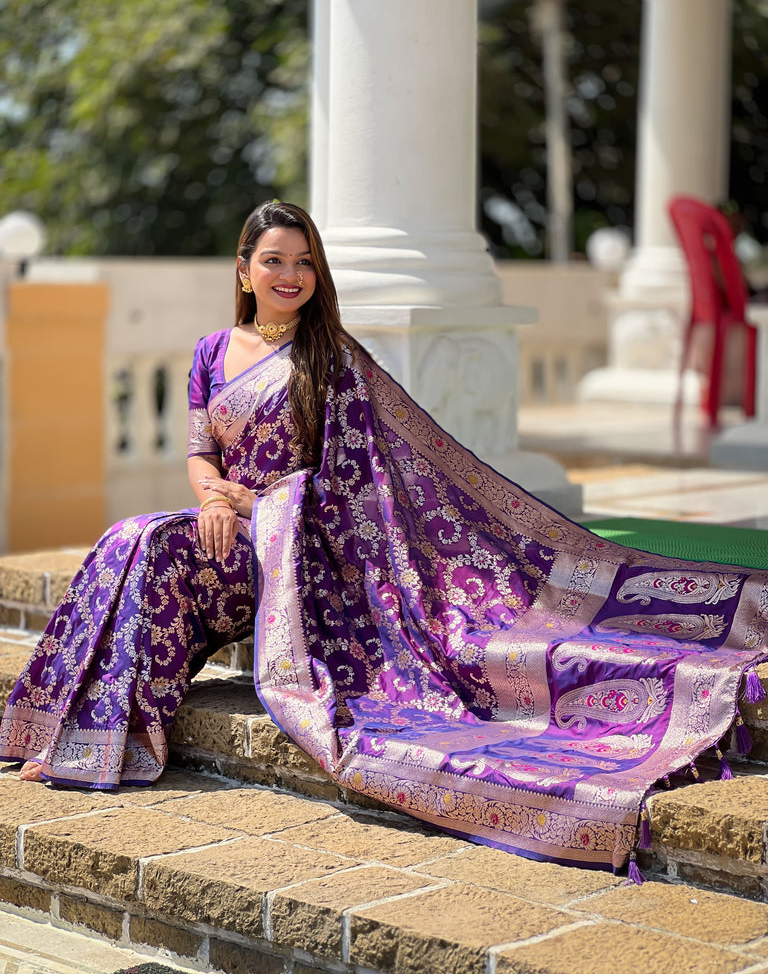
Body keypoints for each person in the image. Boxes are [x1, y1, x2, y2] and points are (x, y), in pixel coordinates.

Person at [1, 201, 766, 875]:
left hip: (294, 559)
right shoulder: (211, 352)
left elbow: (353, 483)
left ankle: (103, 737)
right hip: (227, 538)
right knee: (130, 539)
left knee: (145, 539)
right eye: (274, 261)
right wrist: (215, 496)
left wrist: (259, 503)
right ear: (244, 271)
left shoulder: (333, 359)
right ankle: (80, 734)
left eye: (304, 263)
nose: (290, 275)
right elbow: (201, 451)